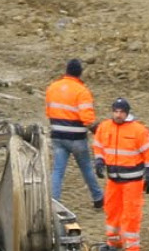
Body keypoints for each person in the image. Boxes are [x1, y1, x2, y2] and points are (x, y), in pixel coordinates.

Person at [91, 97, 149, 251]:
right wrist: (99, 161)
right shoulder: (104, 127)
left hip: (133, 183)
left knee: (131, 216)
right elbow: (98, 146)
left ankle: (132, 247)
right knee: (111, 212)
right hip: (113, 181)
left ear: (127, 113)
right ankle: (113, 243)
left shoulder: (139, 130)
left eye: (121, 112)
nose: (118, 115)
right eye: (115, 111)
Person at [43, 58, 101, 210]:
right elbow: (87, 118)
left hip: (57, 135)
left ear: (66, 71)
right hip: (77, 138)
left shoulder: (52, 87)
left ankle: (53, 201)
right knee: (87, 168)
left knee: (57, 171)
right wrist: (97, 130)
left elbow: (48, 112)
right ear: (80, 73)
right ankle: (98, 197)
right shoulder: (82, 91)